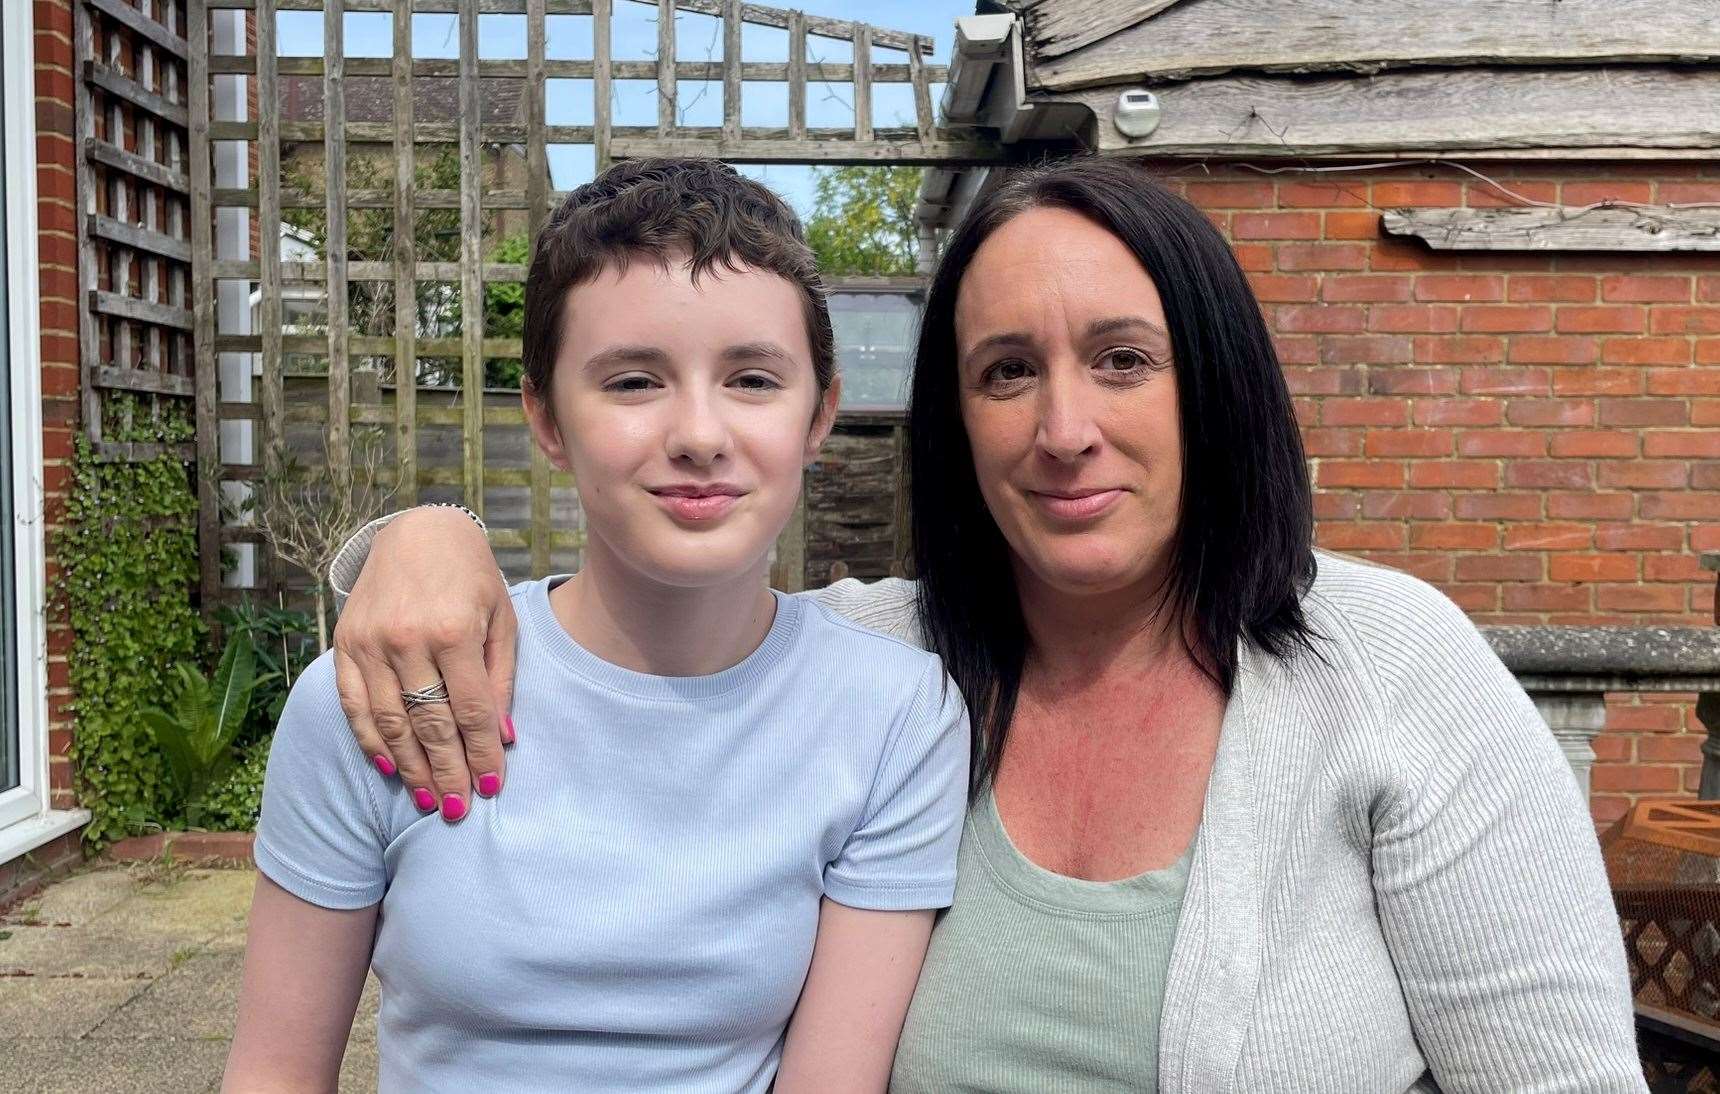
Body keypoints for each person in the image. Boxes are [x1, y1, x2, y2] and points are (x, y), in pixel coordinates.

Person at [327, 157, 1644, 1091]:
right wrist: (417, 539)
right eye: (1007, 372)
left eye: (1123, 359)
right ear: (955, 422)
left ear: (1215, 381)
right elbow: (655, 616)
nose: (1066, 429)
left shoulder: (1389, 665)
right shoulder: (880, 665)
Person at [224, 159, 969, 1093]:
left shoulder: (894, 715)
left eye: (751, 378)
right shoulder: (378, 695)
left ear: (819, 414)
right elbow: (276, 1073)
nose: (699, 433)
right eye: (631, 382)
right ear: (544, 414)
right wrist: (426, 529)